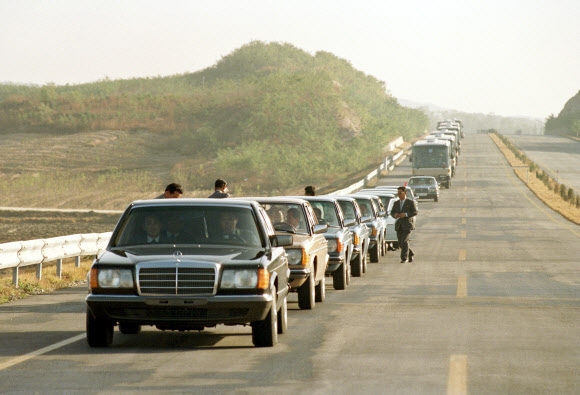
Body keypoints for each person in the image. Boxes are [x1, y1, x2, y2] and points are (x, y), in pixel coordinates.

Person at [391, 186, 418, 263]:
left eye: (400, 193)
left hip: (407, 225)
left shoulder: (410, 202)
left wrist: (406, 214)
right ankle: (411, 254)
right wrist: (395, 215)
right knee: (400, 243)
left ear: (405, 193)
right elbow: (392, 212)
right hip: (399, 226)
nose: (399, 194)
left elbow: (415, 212)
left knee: (404, 241)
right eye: (398, 193)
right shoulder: (396, 203)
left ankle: (404, 258)